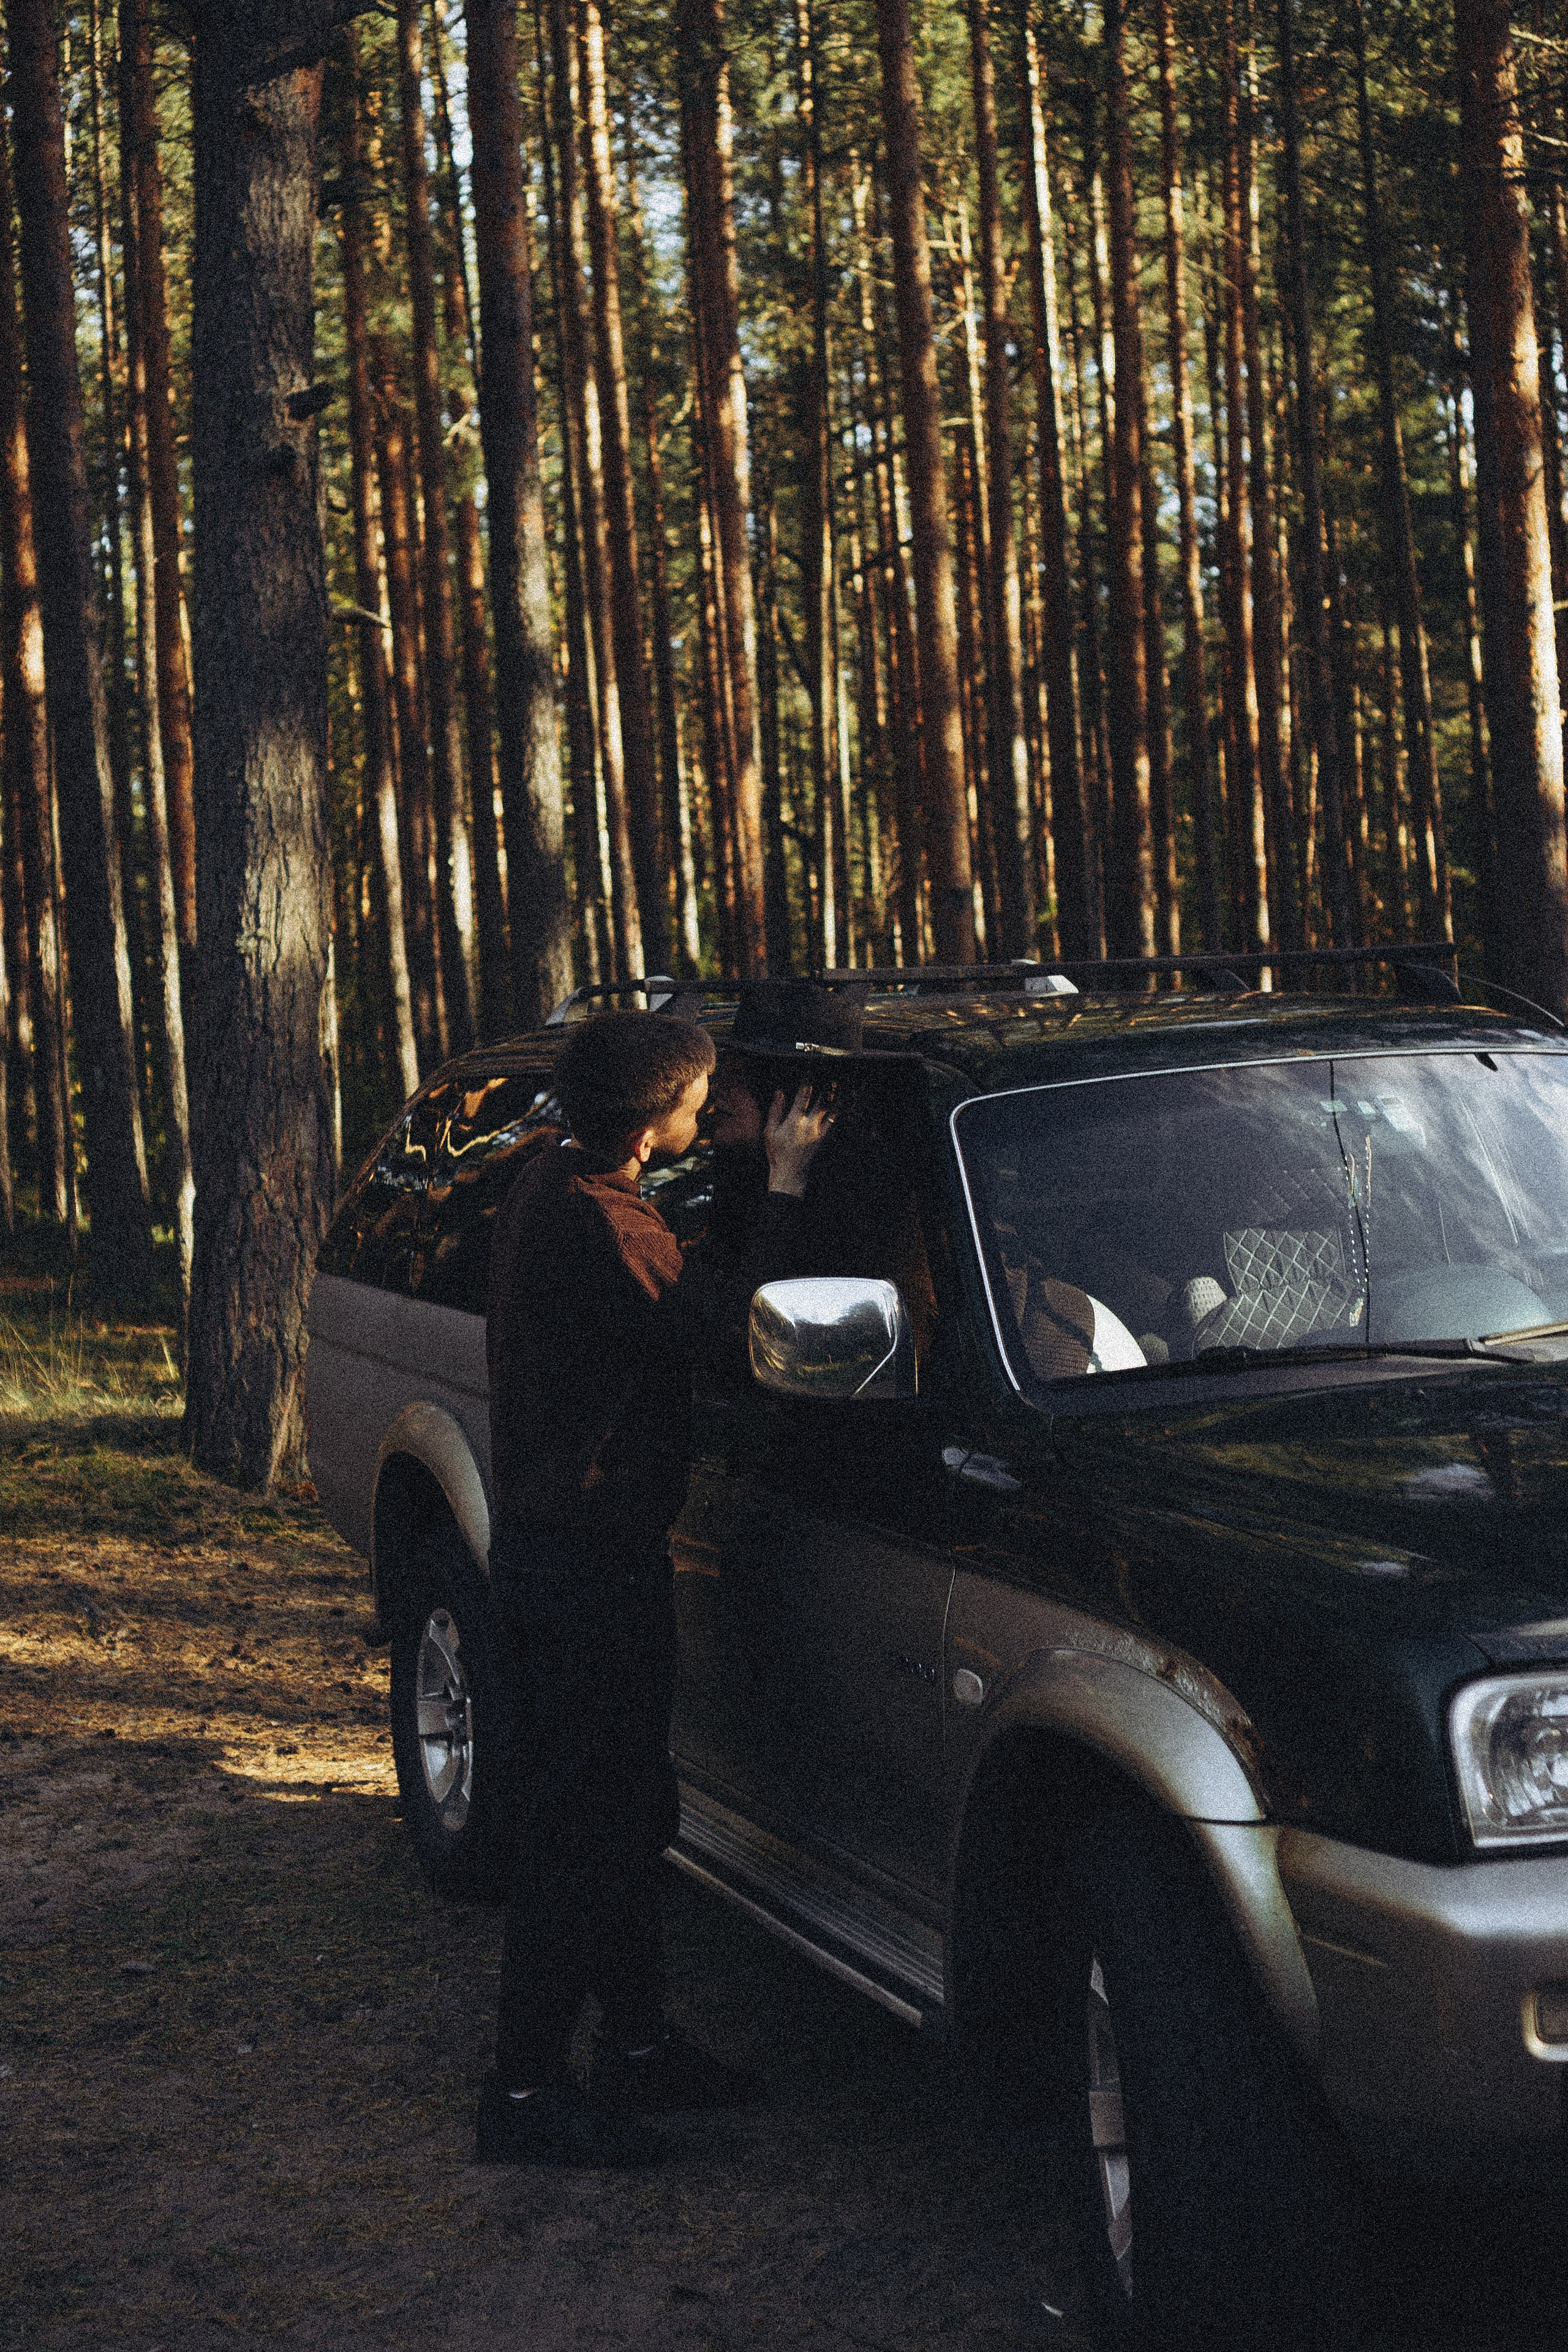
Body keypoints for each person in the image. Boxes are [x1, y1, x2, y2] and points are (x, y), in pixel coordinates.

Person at [477, 1008, 834, 2168]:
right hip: (584, 1572)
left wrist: (730, 1157)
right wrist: (779, 1183)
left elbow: (681, 1282)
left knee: (625, 1815)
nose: (710, 1108)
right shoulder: (603, 1221)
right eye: (699, 1099)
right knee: (585, 1833)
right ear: (647, 1126)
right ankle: (523, 2098)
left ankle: (635, 2050)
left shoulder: (556, 1180)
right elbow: (732, 1328)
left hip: (566, 1560)